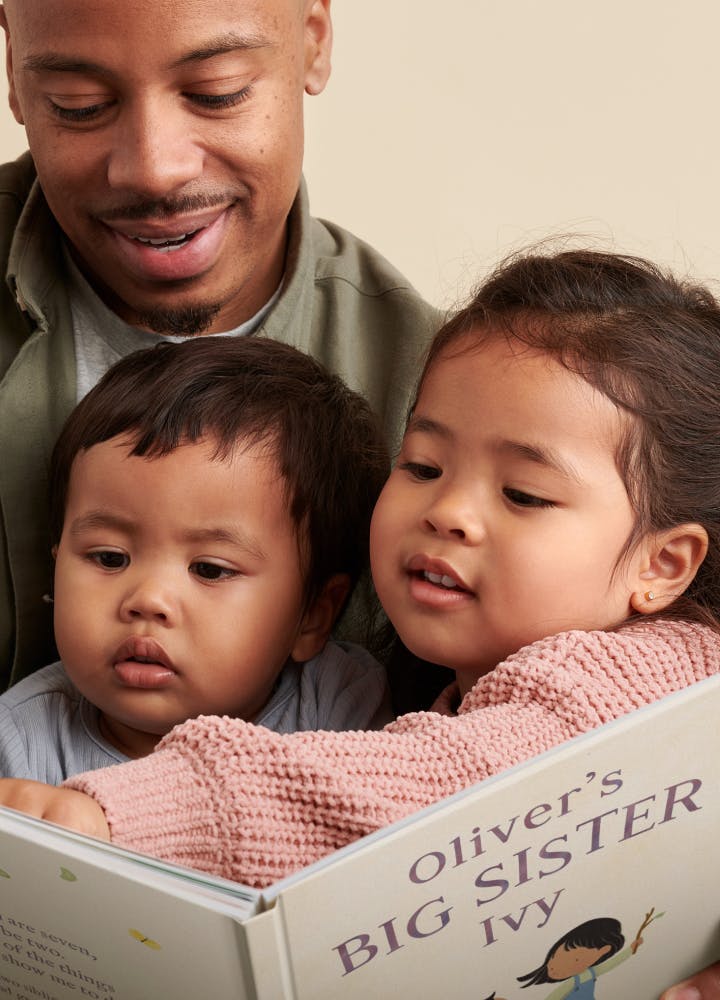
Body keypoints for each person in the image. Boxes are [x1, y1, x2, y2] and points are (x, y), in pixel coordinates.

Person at [2, 247, 720, 896]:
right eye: (424, 466)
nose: (449, 513)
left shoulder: (634, 682)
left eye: (523, 494)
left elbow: (425, 789)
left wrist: (124, 814)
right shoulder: (438, 690)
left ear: (662, 564)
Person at [0, 0, 440, 689]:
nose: (153, 169)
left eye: (218, 93)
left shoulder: (435, 394)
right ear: (12, 74)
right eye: (79, 104)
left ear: (313, 42)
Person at [0, 335, 391, 782]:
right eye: (110, 558)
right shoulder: (19, 747)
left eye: (209, 569)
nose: (147, 600)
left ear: (313, 616)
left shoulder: (340, 705)